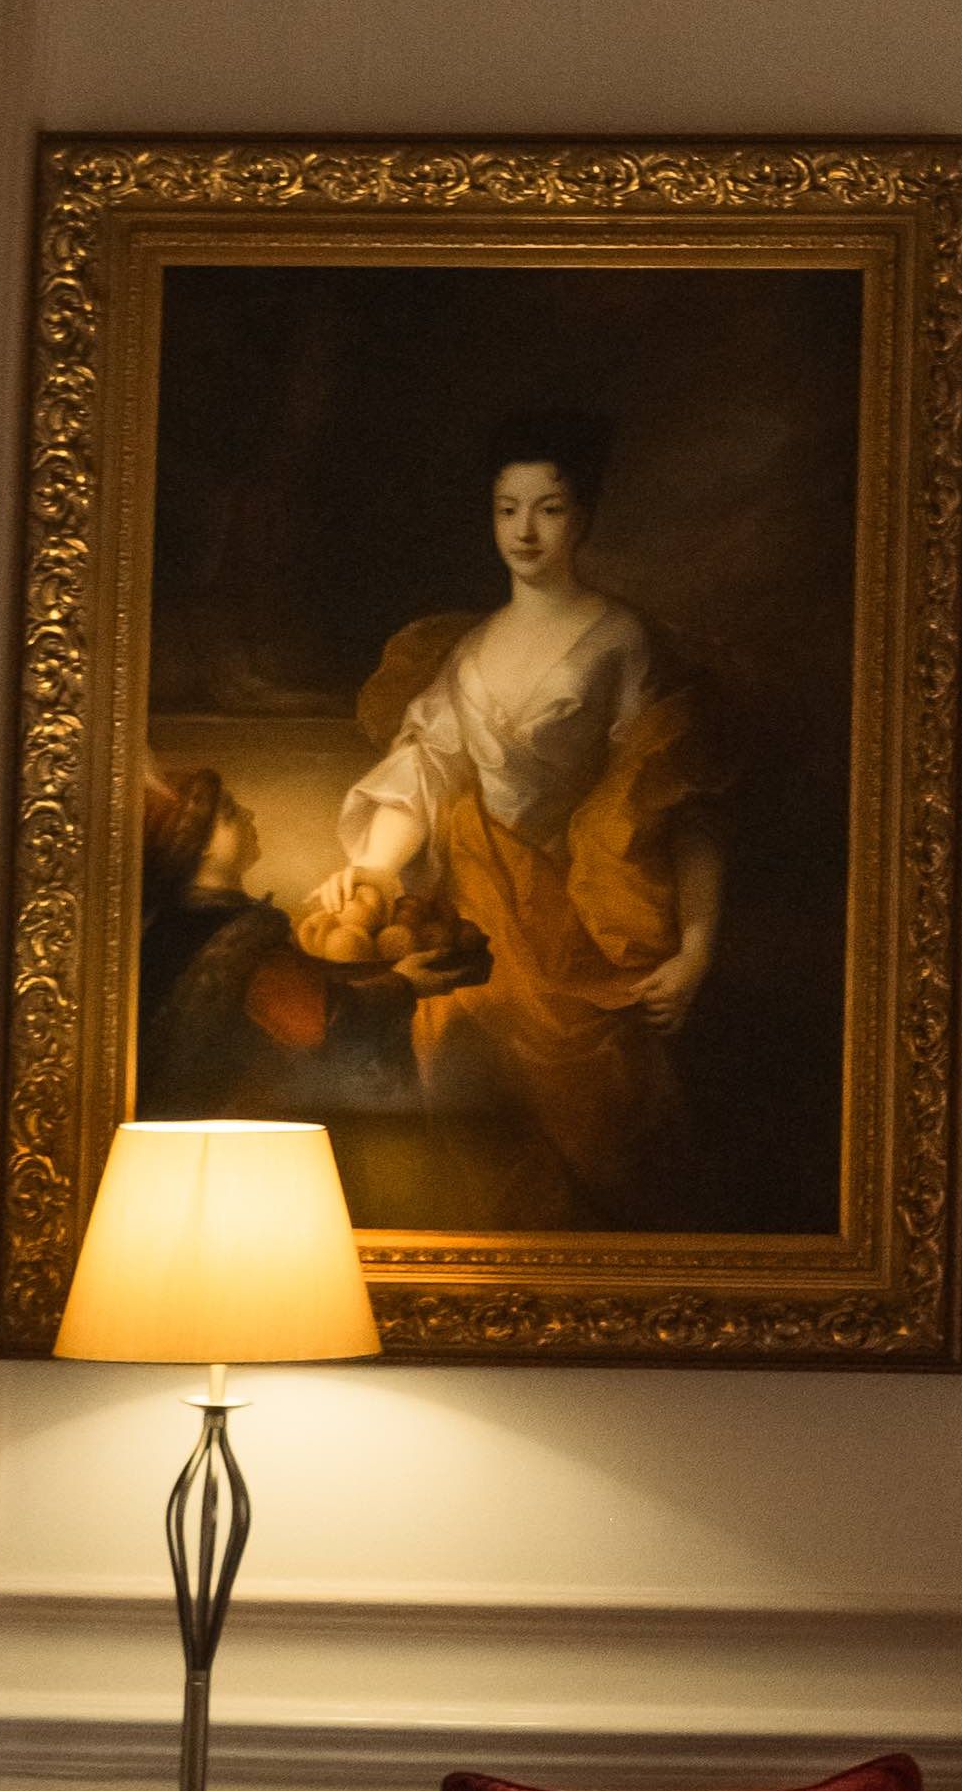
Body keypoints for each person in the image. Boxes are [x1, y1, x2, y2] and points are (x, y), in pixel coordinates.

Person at [304, 411, 727, 1225]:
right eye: (507, 507)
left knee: (609, 1151)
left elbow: (675, 797)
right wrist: (376, 870)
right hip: (478, 939)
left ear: (586, 516)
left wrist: (699, 946)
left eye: (550, 507)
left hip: (583, 935)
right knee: (479, 1148)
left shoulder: (621, 643)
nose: (525, 531)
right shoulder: (468, 651)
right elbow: (424, 771)